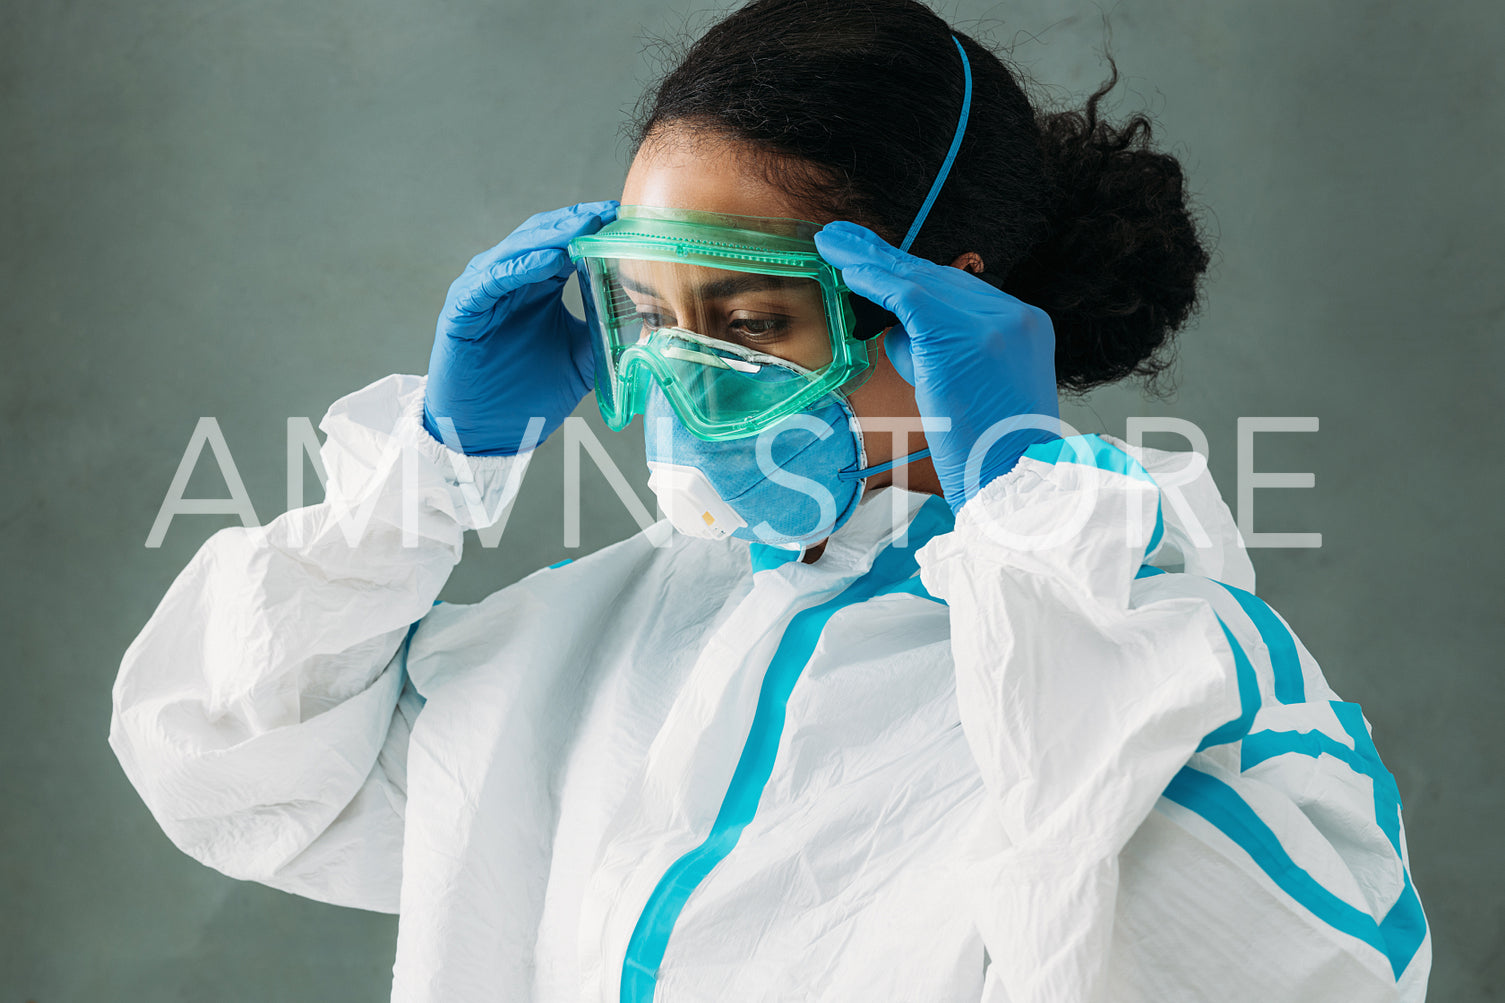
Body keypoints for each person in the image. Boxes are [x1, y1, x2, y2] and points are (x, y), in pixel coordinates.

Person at [107, 1, 1430, 1000]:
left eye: (745, 318)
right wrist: (433, 468)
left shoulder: (1157, 670)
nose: (684, 384)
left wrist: (1025, 519)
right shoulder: (602, 635)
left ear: (936, 304)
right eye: (644, 313)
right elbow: (238, 774)